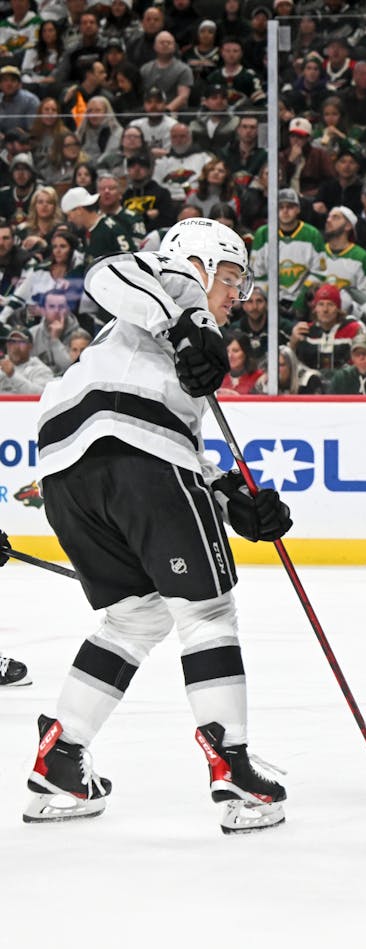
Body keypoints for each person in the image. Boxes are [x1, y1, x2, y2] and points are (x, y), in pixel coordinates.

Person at [23, 218, 292, 832]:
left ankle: (60, 760)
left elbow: (181, 449)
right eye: (230, 278)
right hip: (134, 453)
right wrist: (189, 321)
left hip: (69, 470)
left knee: (135, 615)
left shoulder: (140, 341)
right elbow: (106, 272)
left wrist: (232, 500)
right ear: (198, 264)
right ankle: (233, 771)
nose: (236, 295)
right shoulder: (163, 286)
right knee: (207, 612)